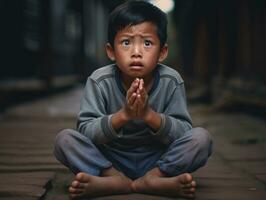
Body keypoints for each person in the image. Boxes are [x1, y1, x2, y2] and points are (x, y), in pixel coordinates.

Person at [54, 0, 212, 199]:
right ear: (111, 51)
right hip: (110, 159)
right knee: (65, 139)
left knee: (201, 138)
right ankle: (113, 178)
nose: (136, 52)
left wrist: (149, 115)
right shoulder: (99, 81)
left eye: (147, 43)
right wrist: (124, 115)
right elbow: (86, 132)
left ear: (162, 52)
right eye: (126, 42)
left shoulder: (172, 81)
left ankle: (154, 178)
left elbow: (183, 133)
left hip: (158, 159)